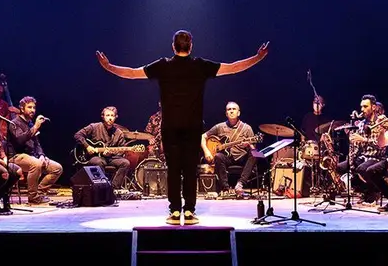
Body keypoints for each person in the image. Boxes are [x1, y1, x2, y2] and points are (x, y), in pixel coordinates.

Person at [96, 29, 269, 225]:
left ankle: (175, 211)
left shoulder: (163, 66)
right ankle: (188, 212)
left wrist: (108, 66)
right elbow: (232, 68)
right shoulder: (200, 66)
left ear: (173, 46)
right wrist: (257, 57)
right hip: (193, 128)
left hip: (170, 128)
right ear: (191, 46)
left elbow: (132, 73)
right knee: (189, 170)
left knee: (173, 170)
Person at [7, 96, 63, 204]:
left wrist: (42, 155)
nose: (32, 110)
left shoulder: (31, 124)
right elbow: (20, 141)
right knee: (36, 164)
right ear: (22, 109)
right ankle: (32, 197)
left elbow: (36, 143)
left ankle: (39, 194)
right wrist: (35, 127)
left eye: (34, 107)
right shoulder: (14, 123)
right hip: (17, 156)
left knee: (57, 168)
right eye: (29, 107)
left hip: (33, 156)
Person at [202, 101, 262, 197]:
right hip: (228, 157)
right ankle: (225, 188)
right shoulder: (219, 127)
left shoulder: (246, 128)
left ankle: (240, 184)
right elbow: (203, 137)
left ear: (238, 113)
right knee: (218, 156)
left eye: (234, 109)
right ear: (226, 113)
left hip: (242, 157)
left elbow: (253, 148)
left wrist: (248, 144)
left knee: (255, 154)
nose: (231, 111)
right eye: (229, 109)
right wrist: (207, 152)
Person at [336, 94, 388, 203]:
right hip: (363, 157)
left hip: (377, 157)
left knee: (361, 168)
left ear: (373, 107)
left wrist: (363, 140)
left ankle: (374, 190)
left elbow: (381, 147)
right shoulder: (361, 124)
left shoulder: (381, 122)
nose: (362, 109)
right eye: (361, 107)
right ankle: (365, 190)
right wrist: (353, 143)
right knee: (341, 168)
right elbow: (358, 146)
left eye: (365, 106)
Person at [74, 106, 131, 190]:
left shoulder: (119, 133)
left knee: (125, 163)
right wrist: (87, 146)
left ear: (116, 117)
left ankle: (113, 188)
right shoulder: (94, 127)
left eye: (112, 115)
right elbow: (77, 135)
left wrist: (110, 153)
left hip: (111, 158)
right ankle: (102, 188)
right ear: (103, 116)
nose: (110, 118)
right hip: (94, 157)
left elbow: (121, 150)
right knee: (99, 162)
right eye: (107, 115)